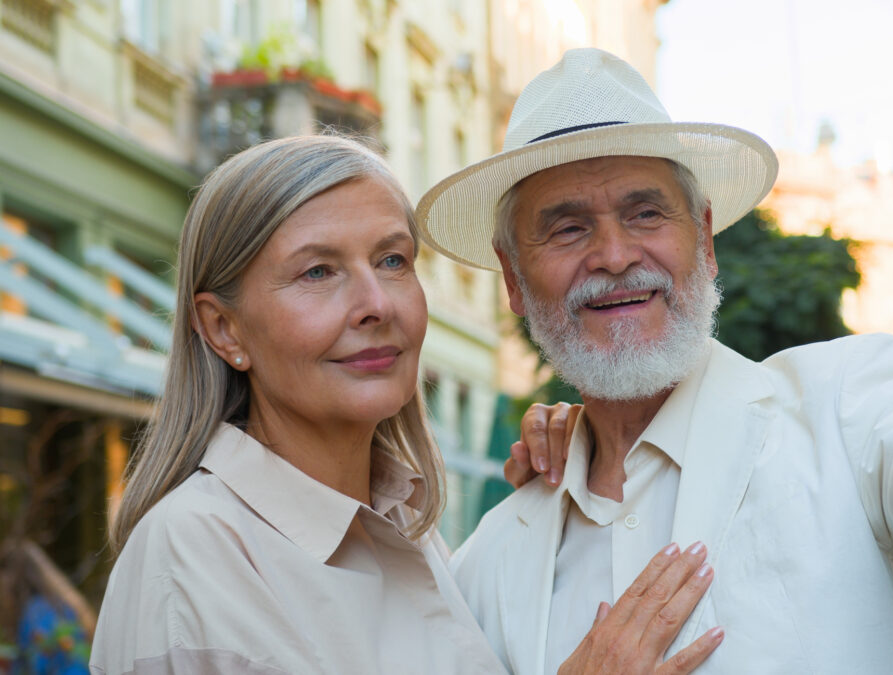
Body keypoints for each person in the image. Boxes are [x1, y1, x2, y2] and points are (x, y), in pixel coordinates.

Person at [414, 48, 893, 673]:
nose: (616, 255)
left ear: (706, 241)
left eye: (646, 211)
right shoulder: (489, 561)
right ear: (514, 280)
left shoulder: (848, 408)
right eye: (566, 227)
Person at [88, 134, 723, 674]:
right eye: (318, 272)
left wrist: (591, 445)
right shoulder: (191, 553)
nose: (377, 304)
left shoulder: (414, 539)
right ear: (224, 330)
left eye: (392, 260)